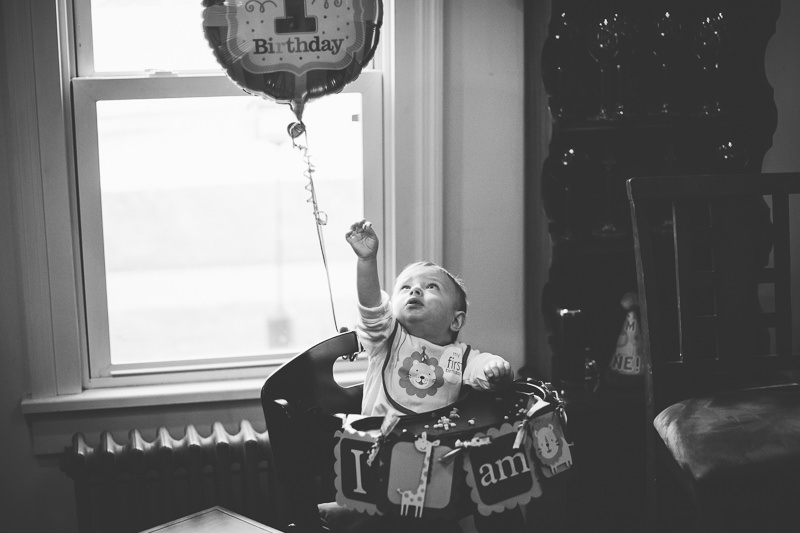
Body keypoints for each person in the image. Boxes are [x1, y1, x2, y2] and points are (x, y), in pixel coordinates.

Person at [318, 219, 525, 533]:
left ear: (456, 321)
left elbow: (483, 367)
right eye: (406, 287)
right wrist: (366, 260)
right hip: (380, 463)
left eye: (431, 287)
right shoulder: (387, 340)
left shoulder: (459, 356)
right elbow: (372, 308)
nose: (416, 289)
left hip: (435, 470)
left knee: (491, 501)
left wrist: (497, 370)